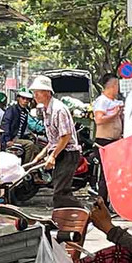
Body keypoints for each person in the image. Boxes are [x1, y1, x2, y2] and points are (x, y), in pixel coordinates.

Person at [31, 74, 81, 209]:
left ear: (47, 92)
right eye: (34, 92)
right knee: (59, 191)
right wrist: (41, 154)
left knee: (61, 192)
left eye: (38, 92)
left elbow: (65, 136)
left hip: (69, 153)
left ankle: (87, 214)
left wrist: (52, 156)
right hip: (60, 151)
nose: (35, 95)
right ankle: (63, 219)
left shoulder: (58, 109)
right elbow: (54, 139)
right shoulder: (45, 110)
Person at [91, 74, 124, 199]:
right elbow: (99, 120)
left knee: (114, 174)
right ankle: (102, 201)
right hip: (104, 141)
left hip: (115, 141)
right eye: (117, 85)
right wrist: (114, 115)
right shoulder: (102, 101)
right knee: (106, 174)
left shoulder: (115, 102)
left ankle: (112, 200)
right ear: (113, 86)